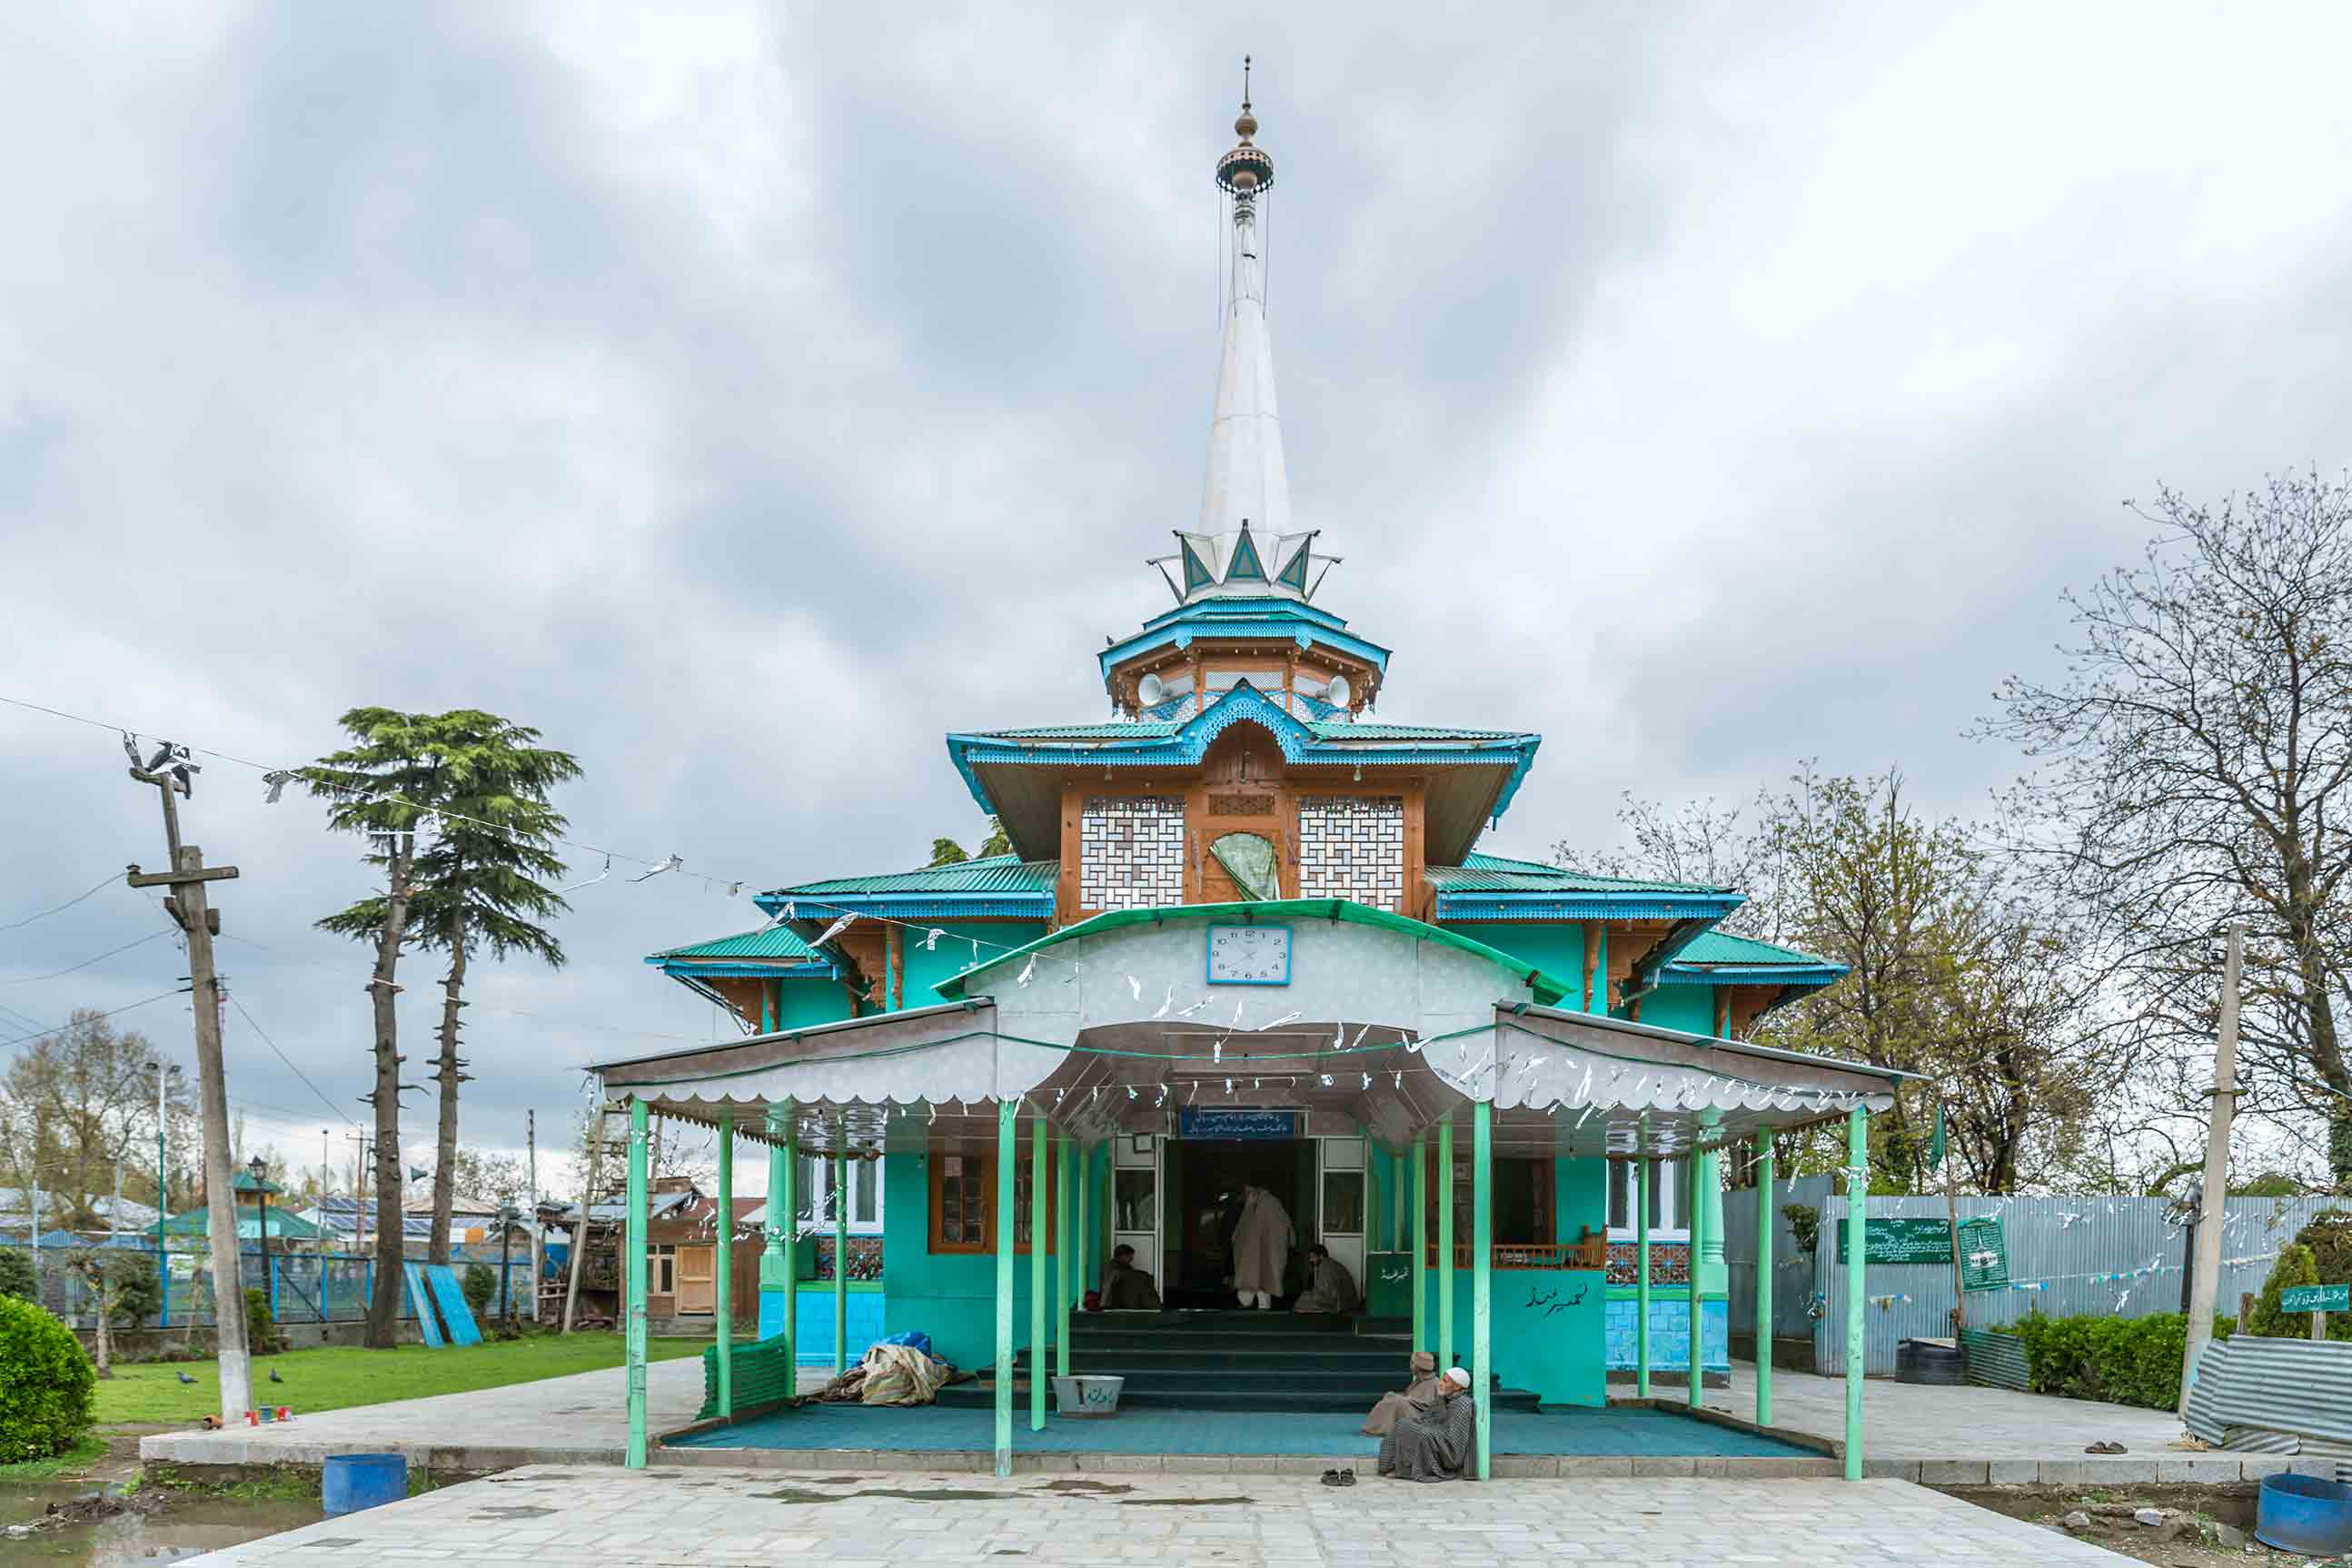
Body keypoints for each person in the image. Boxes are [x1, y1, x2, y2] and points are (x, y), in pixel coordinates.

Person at [1378, 1365, 1476, 1483]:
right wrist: (1439, 1399)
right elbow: (1428, 1418)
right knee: (1403, 1424)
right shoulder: (1446, 1397)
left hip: (1449, 1452)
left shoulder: (1463, 1404)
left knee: (1423, 1433)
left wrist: (1430, 1429)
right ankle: (1390, 1465)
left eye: (1445, 1381)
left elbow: (1453, 1439)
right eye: (1441, 1380)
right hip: (1438, 1437)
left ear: (1457, 1386)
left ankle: (1409, 1471)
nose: (1440, 1384)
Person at [1231, 1184, 1294, 1309]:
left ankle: (1250, 1307)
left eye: (1248, 1190)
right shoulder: (1258, 1204)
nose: (1246, 1193)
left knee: (1259, 1282)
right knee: (1260, 1282)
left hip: (1261, 1254)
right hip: (1258, 1255)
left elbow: (1283, 1227)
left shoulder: (1264, 1204)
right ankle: (1253, 1308)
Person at [1361, 1349, 1441, 1437]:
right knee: (1392, 1396)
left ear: (1417, 1366)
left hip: (1422, 1418)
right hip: (1413, 1411)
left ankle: (1376, 1429)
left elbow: (1425, 1405)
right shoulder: (1418, 1381)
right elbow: (1409, 1396)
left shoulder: (1434, 1382)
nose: (1411, 1366)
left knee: (1396, 1401)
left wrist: (1404, 1399)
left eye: (1412, 1363)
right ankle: (1375, 1428)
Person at [1292, 1244, 1359, 1315]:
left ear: (1321, 1256)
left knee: (1303, 1300)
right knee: (1305, 1296)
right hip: (1346, 1303)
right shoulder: (1329, 1264)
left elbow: (1326, 1293)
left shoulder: (1325, 1266)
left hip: (1343, 1306)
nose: (1310, 1260)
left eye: (1313, 1257)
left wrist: (1310, 1296)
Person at [1100, 1244, 1161, 1311]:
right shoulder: (1111, 1268)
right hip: (1114, 1305)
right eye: (1130, 1257)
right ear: (1122, 1256)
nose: (1131, 1260)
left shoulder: (1126, 1267)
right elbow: (1109, 1285)